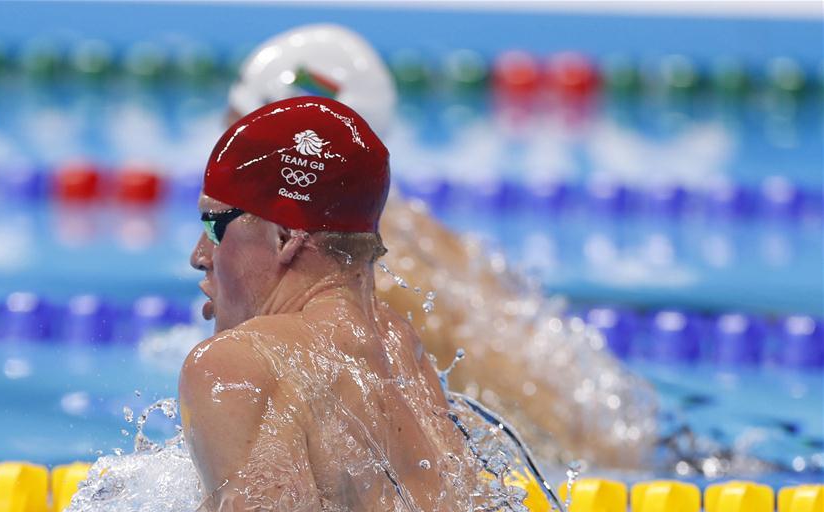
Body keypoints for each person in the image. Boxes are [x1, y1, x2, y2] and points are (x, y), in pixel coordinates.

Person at [223, 25, 657, 468]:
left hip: (585, 466)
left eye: (231, 136)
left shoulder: (341, 273)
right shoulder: (401, 223)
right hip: (618, 432)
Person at [180, 96, 521, 512]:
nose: (199, 254)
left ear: (285, 237)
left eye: (214, 226)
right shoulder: (398, 347)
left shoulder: (237, 365)